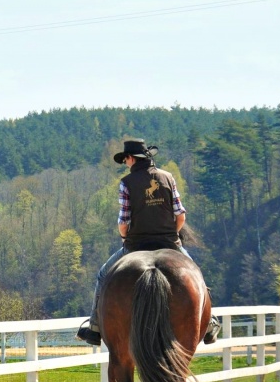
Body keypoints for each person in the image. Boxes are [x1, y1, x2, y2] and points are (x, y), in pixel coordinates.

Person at [78, 138, 220, 346]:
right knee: (196, 274)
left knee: (102, 275)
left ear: (130, 159)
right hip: (169, 243)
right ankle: (208, 324)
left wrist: (125, 238)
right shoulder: (168, 177)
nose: (125, 164)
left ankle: (94, 326)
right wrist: (172, 234)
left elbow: (123, 222)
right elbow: (180, 216)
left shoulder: (126, 183)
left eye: (125, 160)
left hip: (136, 245)